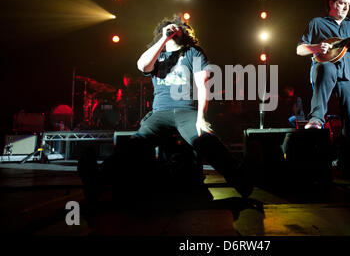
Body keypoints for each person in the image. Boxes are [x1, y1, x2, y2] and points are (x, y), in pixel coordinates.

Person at [78, 14, 252, 204]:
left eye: (177, 27)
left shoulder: (193, 52)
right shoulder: (157, 55)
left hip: (186, 111)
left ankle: (239, 178)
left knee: (204, 140)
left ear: (184, 32)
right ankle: (97, 181)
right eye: (169, 27)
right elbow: (142, 65)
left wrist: (201, 118)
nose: (174, 29)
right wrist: (164, 38)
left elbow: (203, 85)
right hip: (160, 112)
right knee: (135, 144)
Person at [296, 0, 350, 176]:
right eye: (341, 3)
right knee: (325, 67)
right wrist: (316, 48)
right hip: (325, 69)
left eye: (348, 4)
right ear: (331, 3)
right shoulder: (317, 23)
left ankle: (347, 165)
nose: (346, 7)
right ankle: (316, 119)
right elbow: (299, 49)